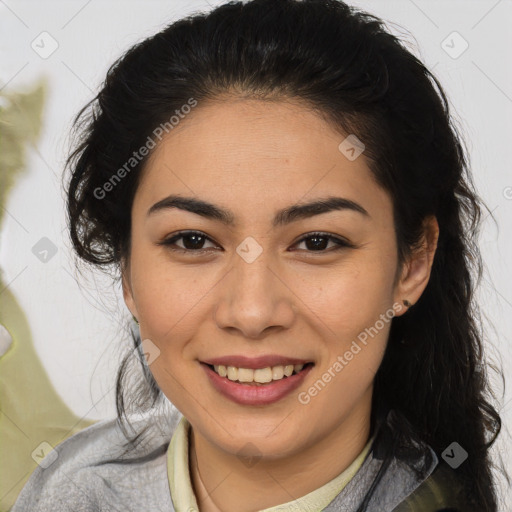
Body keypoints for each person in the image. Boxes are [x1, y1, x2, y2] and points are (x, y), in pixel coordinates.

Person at [11, 0, 505, 510]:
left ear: (412, 263)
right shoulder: (67, 489)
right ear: (128, 270)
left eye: (317, 242)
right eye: (192, 240)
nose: (251, 313)